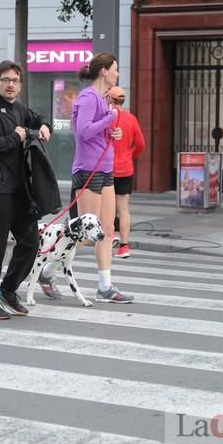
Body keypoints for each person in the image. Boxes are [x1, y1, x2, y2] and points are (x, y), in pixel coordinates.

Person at [0, 59, 51, 320]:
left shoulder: (19, 109)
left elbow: (38, 118)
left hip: (22, 191)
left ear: (20, 85)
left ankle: (7, 290)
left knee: (31, 242)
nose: (10, 84)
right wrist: (17, 137)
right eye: (5, 80)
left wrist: (44, 126)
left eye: (15, 80)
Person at [63, 52, 133, 303]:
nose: (117, 73)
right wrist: (108, 120)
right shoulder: (89, 97)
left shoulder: (103, 99)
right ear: (104, 71)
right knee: (84, 233)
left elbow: (98, 130)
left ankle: (105, 287)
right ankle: (48, 270)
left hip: (105, 169)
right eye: (115, 69)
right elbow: (82, 132)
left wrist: (110, 132)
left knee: (107, 229)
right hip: (88, 170)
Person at [107, 86, 145, 259]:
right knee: (123, 209)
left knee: (106, 206)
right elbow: (141, 144)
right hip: (126, 168)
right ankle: (124, 246)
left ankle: (111, 235)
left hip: (107, 168)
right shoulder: (131, 119)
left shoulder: (106, 118)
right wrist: (130, 155)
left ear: (110, 99)